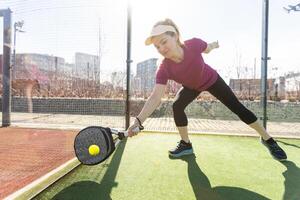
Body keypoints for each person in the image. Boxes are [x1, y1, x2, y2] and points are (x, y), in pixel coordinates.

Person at [127, 18, 287, 161]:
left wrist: (214, 45)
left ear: (175, 36)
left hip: (211, 80)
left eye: (163, 41)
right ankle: (186, 144)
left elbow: (208, 48)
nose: (161, 48)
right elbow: (155, 97)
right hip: (191, 87)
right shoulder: (164, 68)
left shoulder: (194, 44)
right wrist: (138, 121)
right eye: (157, 47)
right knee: (177, 106)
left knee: (238, 108)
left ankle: (268, 139)